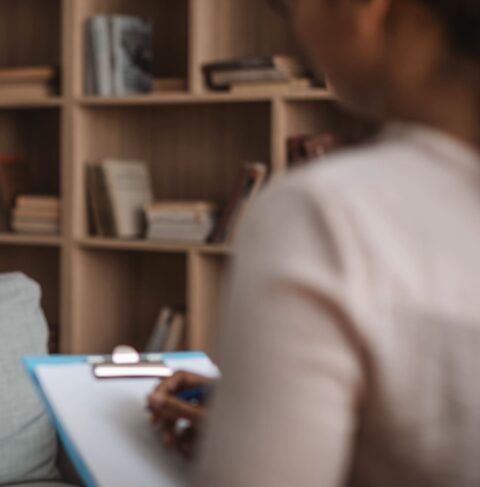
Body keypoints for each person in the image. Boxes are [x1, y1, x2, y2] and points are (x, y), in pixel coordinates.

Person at [148, 0, 480, 485]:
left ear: (364, 9)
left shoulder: (327, 214)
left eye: (292, 10)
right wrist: (260, 414)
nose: (300, 34)